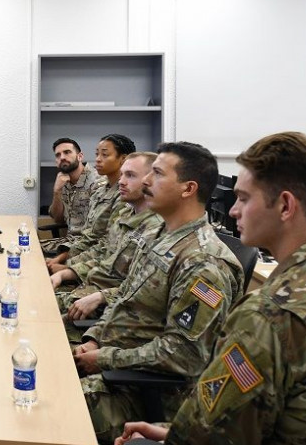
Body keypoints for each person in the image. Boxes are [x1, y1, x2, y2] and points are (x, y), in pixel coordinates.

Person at [115, 132, 306, 445]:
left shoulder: (267, 317)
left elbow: (206, 437)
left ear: (285, 206)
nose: (233, 211)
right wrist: (174, 432)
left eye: (244, 198)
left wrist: (173, 436)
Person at [74, 142, 243, 443]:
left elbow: (184, 355)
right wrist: (95, 336)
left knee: (47, 406)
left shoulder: (203, 262)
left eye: (158, 174)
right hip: (116, 367)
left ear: (188, 188)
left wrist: (106, 358)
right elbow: (125, 296)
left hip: (147, 393)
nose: (147, 182)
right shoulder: (157, 234)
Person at [50, 153, 163, 343]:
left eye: (131, 176)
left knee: (38, 324)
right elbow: (104, 253)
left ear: (151, 181)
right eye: (122, 175)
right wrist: (66, 272)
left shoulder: (157, 230)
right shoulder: (125, 214)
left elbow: (139, 291)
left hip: (106, 312)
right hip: (89, 290)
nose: (122, 181)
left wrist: (100, 297)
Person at [48, 134, 136, 274]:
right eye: (97, 154)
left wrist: (69, 267)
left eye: (104, 155)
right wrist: (64, 259)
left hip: (98, 265)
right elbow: (90, 237)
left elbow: (106, 244)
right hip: (81, 250)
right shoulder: (101, 190)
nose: (98, 159)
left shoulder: (121, 194)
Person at [40, 137, 101, 255]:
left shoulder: (97, 182)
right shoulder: (64, 182)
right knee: (28, 246)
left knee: (33, 253)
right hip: (69, 241)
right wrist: (57, 191)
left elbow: (99, 232)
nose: (62, 157)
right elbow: (58, 219)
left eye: (67, 152)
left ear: (80, 156)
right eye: (58, 155)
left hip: (88, 246)